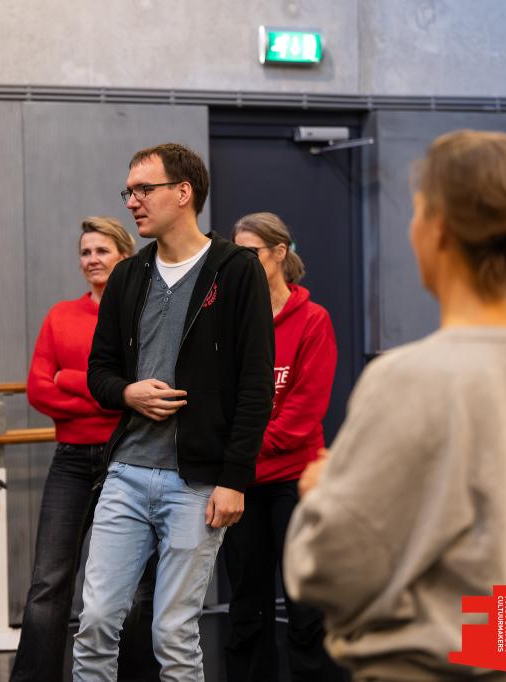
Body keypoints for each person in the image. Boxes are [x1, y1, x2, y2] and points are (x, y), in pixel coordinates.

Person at [284, 129, 506, 680]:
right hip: (503, 649)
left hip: (429, 667)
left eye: (417, 211)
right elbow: (496, 553)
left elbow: (332, 568)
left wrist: (322, 496)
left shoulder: (415, 377)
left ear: (438, 229)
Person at [75, 143, 275, 681]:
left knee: (173, 633)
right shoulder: (127, 276)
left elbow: (256, 384)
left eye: (144, 189)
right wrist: (128, 393)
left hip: (198, 485)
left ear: (183, 193)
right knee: (95, 621)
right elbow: (99, 372)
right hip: (126, 473)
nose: (132, 202)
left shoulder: (237, 270)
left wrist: (234, 479)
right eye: (129, 191)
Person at [12, 216, 140, 682]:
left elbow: (136, 392)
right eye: (85, 252)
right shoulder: (60, 316)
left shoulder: (139, 316)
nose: (92, 260)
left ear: (124, 255)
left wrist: (70, 379)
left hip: (126, 456)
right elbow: (38, 390)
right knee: (48, 581)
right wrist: (106, 392)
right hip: (70, 459)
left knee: (127, 585)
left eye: (101, 251)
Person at [224, 212, 344, 681]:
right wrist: (236, 461)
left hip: (294, 480)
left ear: (279, 253)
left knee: (305, 605)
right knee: (246, 605)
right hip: (240, 484)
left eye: (251, 253)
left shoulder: (313, 320)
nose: (242, 263)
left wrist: (241, 450)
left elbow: (303, 412)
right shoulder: (231, 320)